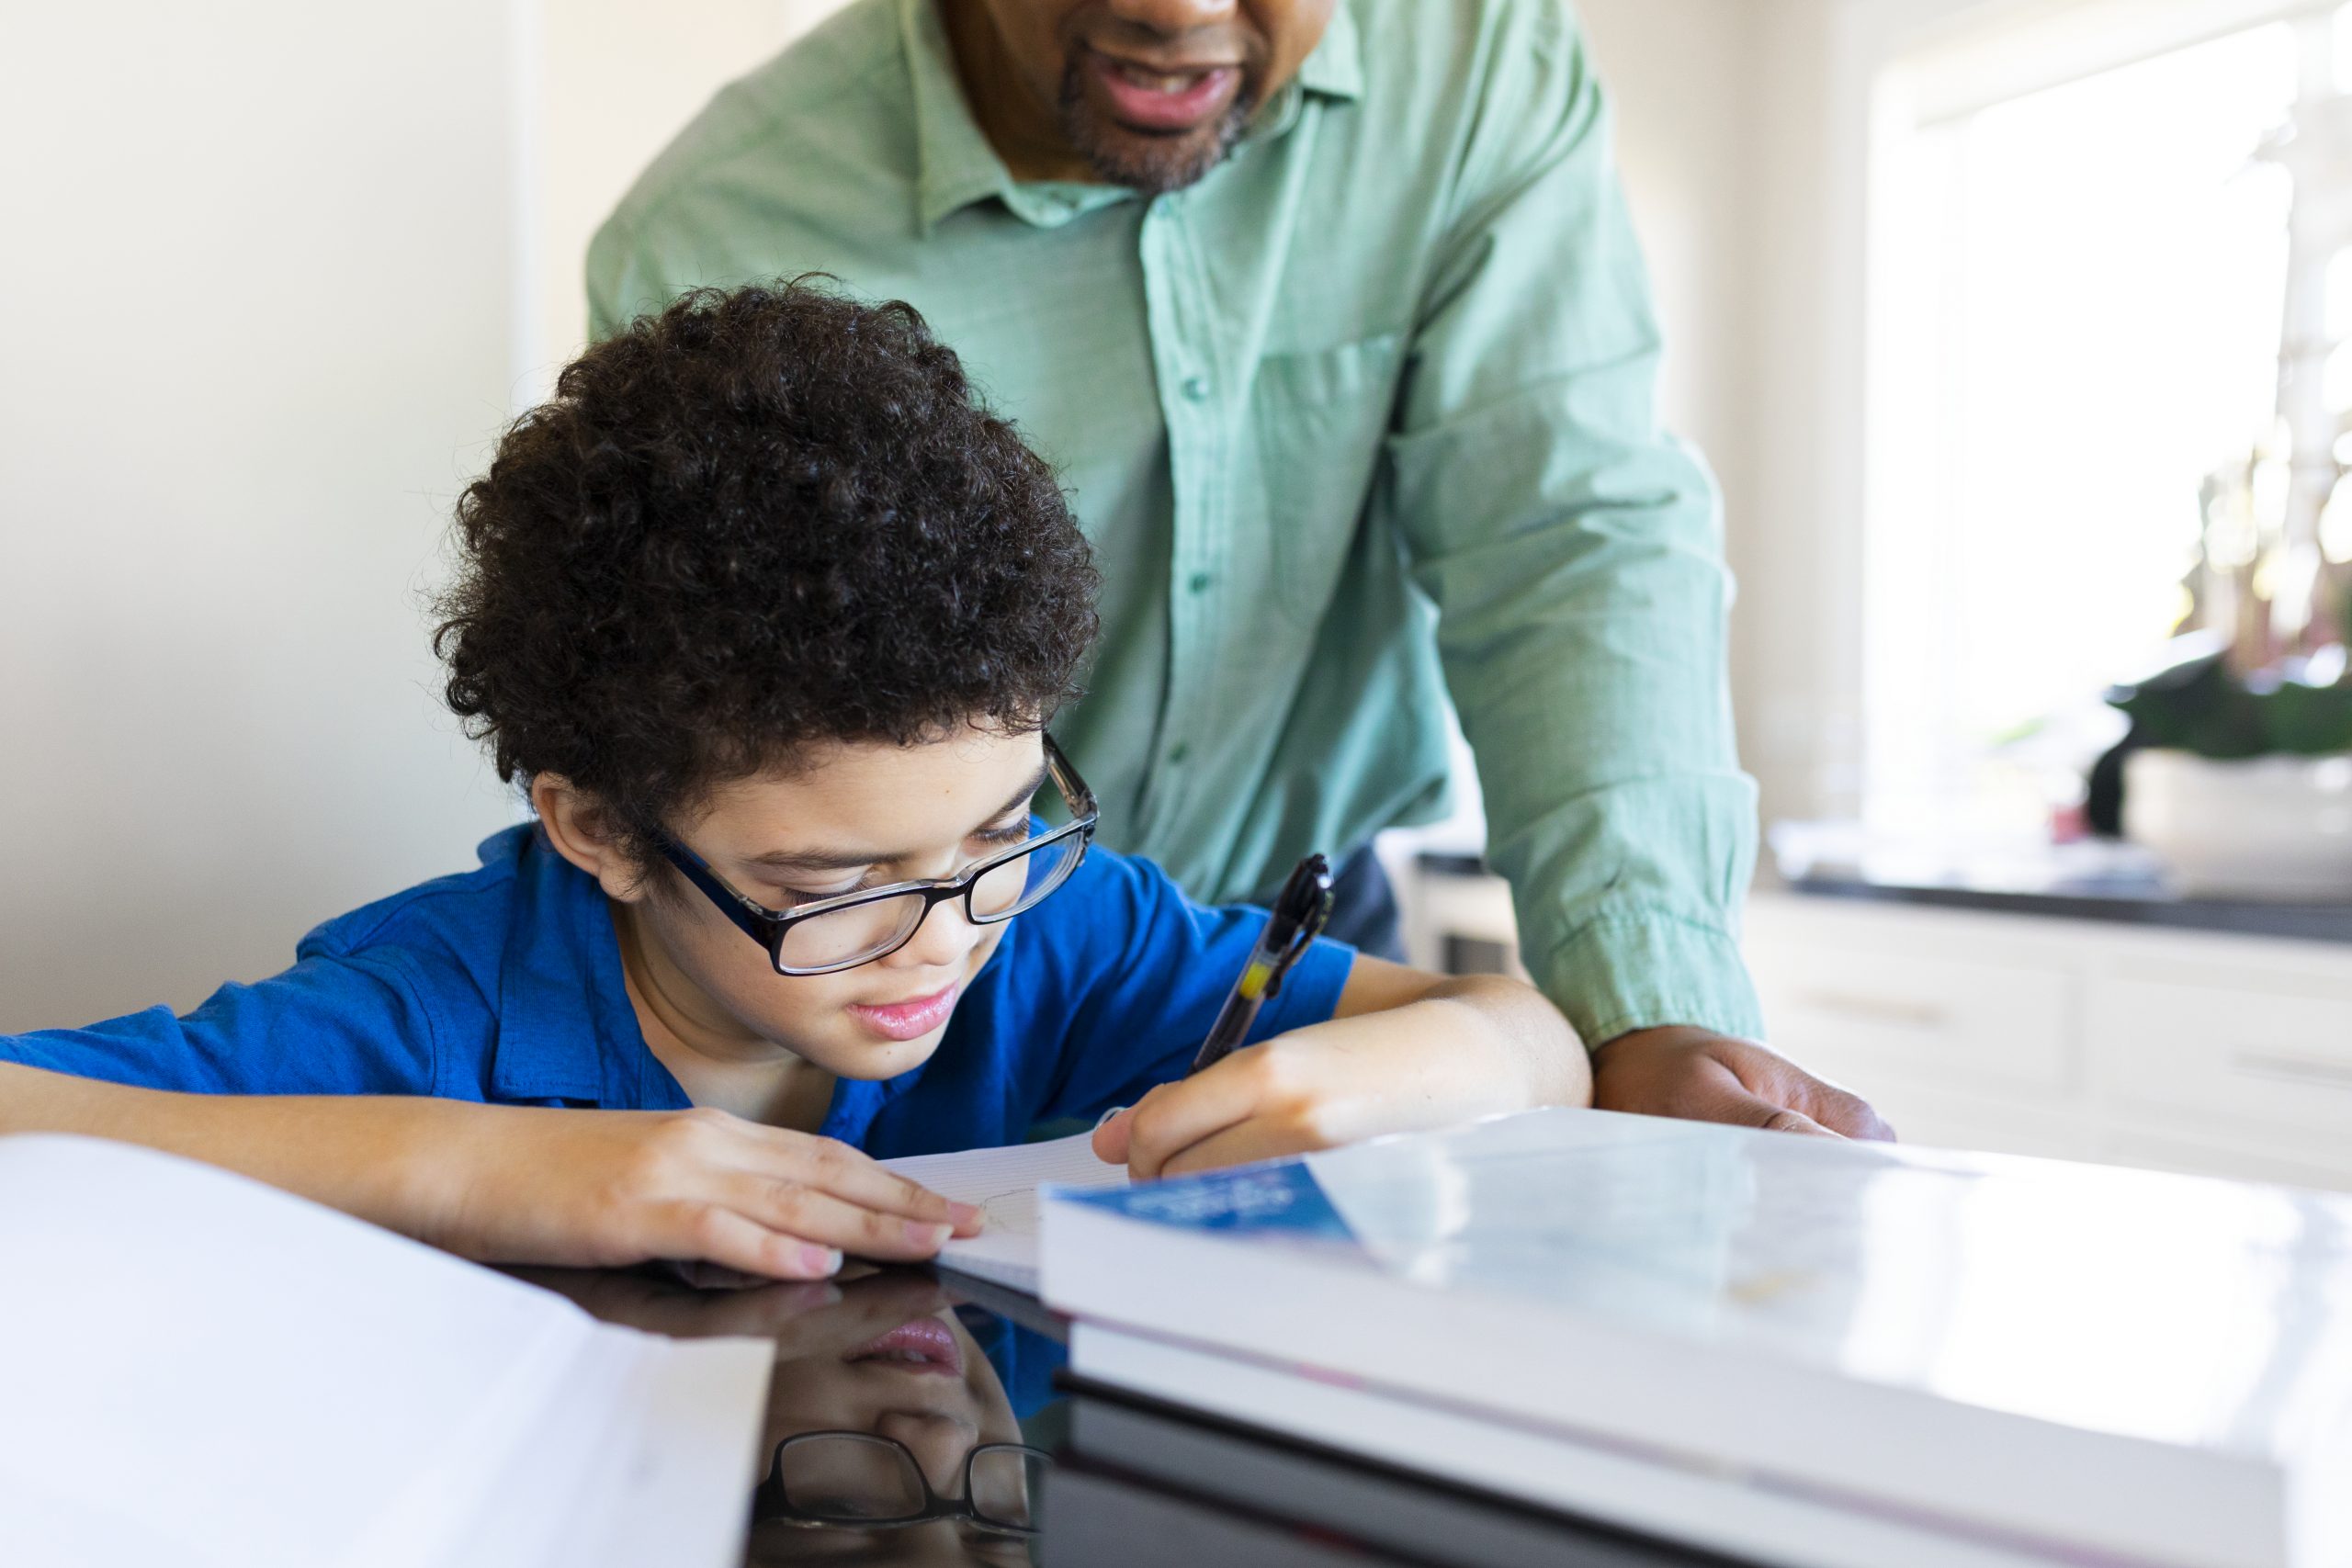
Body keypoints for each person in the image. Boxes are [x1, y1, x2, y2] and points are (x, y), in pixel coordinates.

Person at [0, 281, 1586, 1280]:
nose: (944, 942)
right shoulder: (436, 1014)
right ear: (602, 829)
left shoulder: (1059, 930)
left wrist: (1365, 1082)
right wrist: (470, 1163)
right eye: (830, 893)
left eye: (1000, 831)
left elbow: (1537, 1042)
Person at [587, 0, 1889, 1139]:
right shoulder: (724, 221)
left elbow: (1565, 538)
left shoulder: (1478, 67)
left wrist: (1645, 1013)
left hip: (1302, 933)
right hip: (943, 976)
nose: (1182, 10)